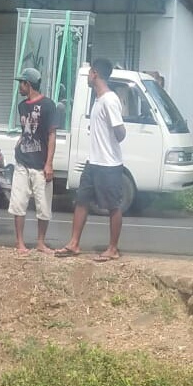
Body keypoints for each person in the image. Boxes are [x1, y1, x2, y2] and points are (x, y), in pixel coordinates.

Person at [55, 59, 126, 262]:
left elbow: (120, 134)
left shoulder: (110, 100)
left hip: (109, 164)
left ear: (95, 73)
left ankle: (113, 249)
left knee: (113, 205)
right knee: (81, 201)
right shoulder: (97, 99)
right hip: (93, 161)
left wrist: (118, 128)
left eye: (88, 73)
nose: (87, 77)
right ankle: (74, 243)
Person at [10, 66, 57, 255]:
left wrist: (49, 163)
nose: (19, 87)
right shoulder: (22, 106)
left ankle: (40, 242)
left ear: (27, 84)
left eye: (21, 83)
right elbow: (26, 131)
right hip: (22, 161)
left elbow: (51, 135)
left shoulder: (48, 105)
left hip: (40, 163)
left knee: (43, 206)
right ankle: (20, 242)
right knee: (18, 203)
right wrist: (19, 142)